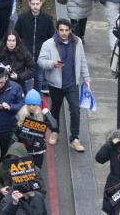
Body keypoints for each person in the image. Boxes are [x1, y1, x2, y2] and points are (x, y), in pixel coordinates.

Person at [37, 18, 89, 153]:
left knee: (75, 109)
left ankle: (75, 138)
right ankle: (55, 131)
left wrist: (87, 77)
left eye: (66, 30)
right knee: (55, 108)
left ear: (70, 30)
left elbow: (82, 60)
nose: (64, 33)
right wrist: (52, 63)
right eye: (61, 30)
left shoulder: (77, 42)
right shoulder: (48, 44)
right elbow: (41, 61)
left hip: (72, 83)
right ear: (57, 30)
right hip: (55, 84)